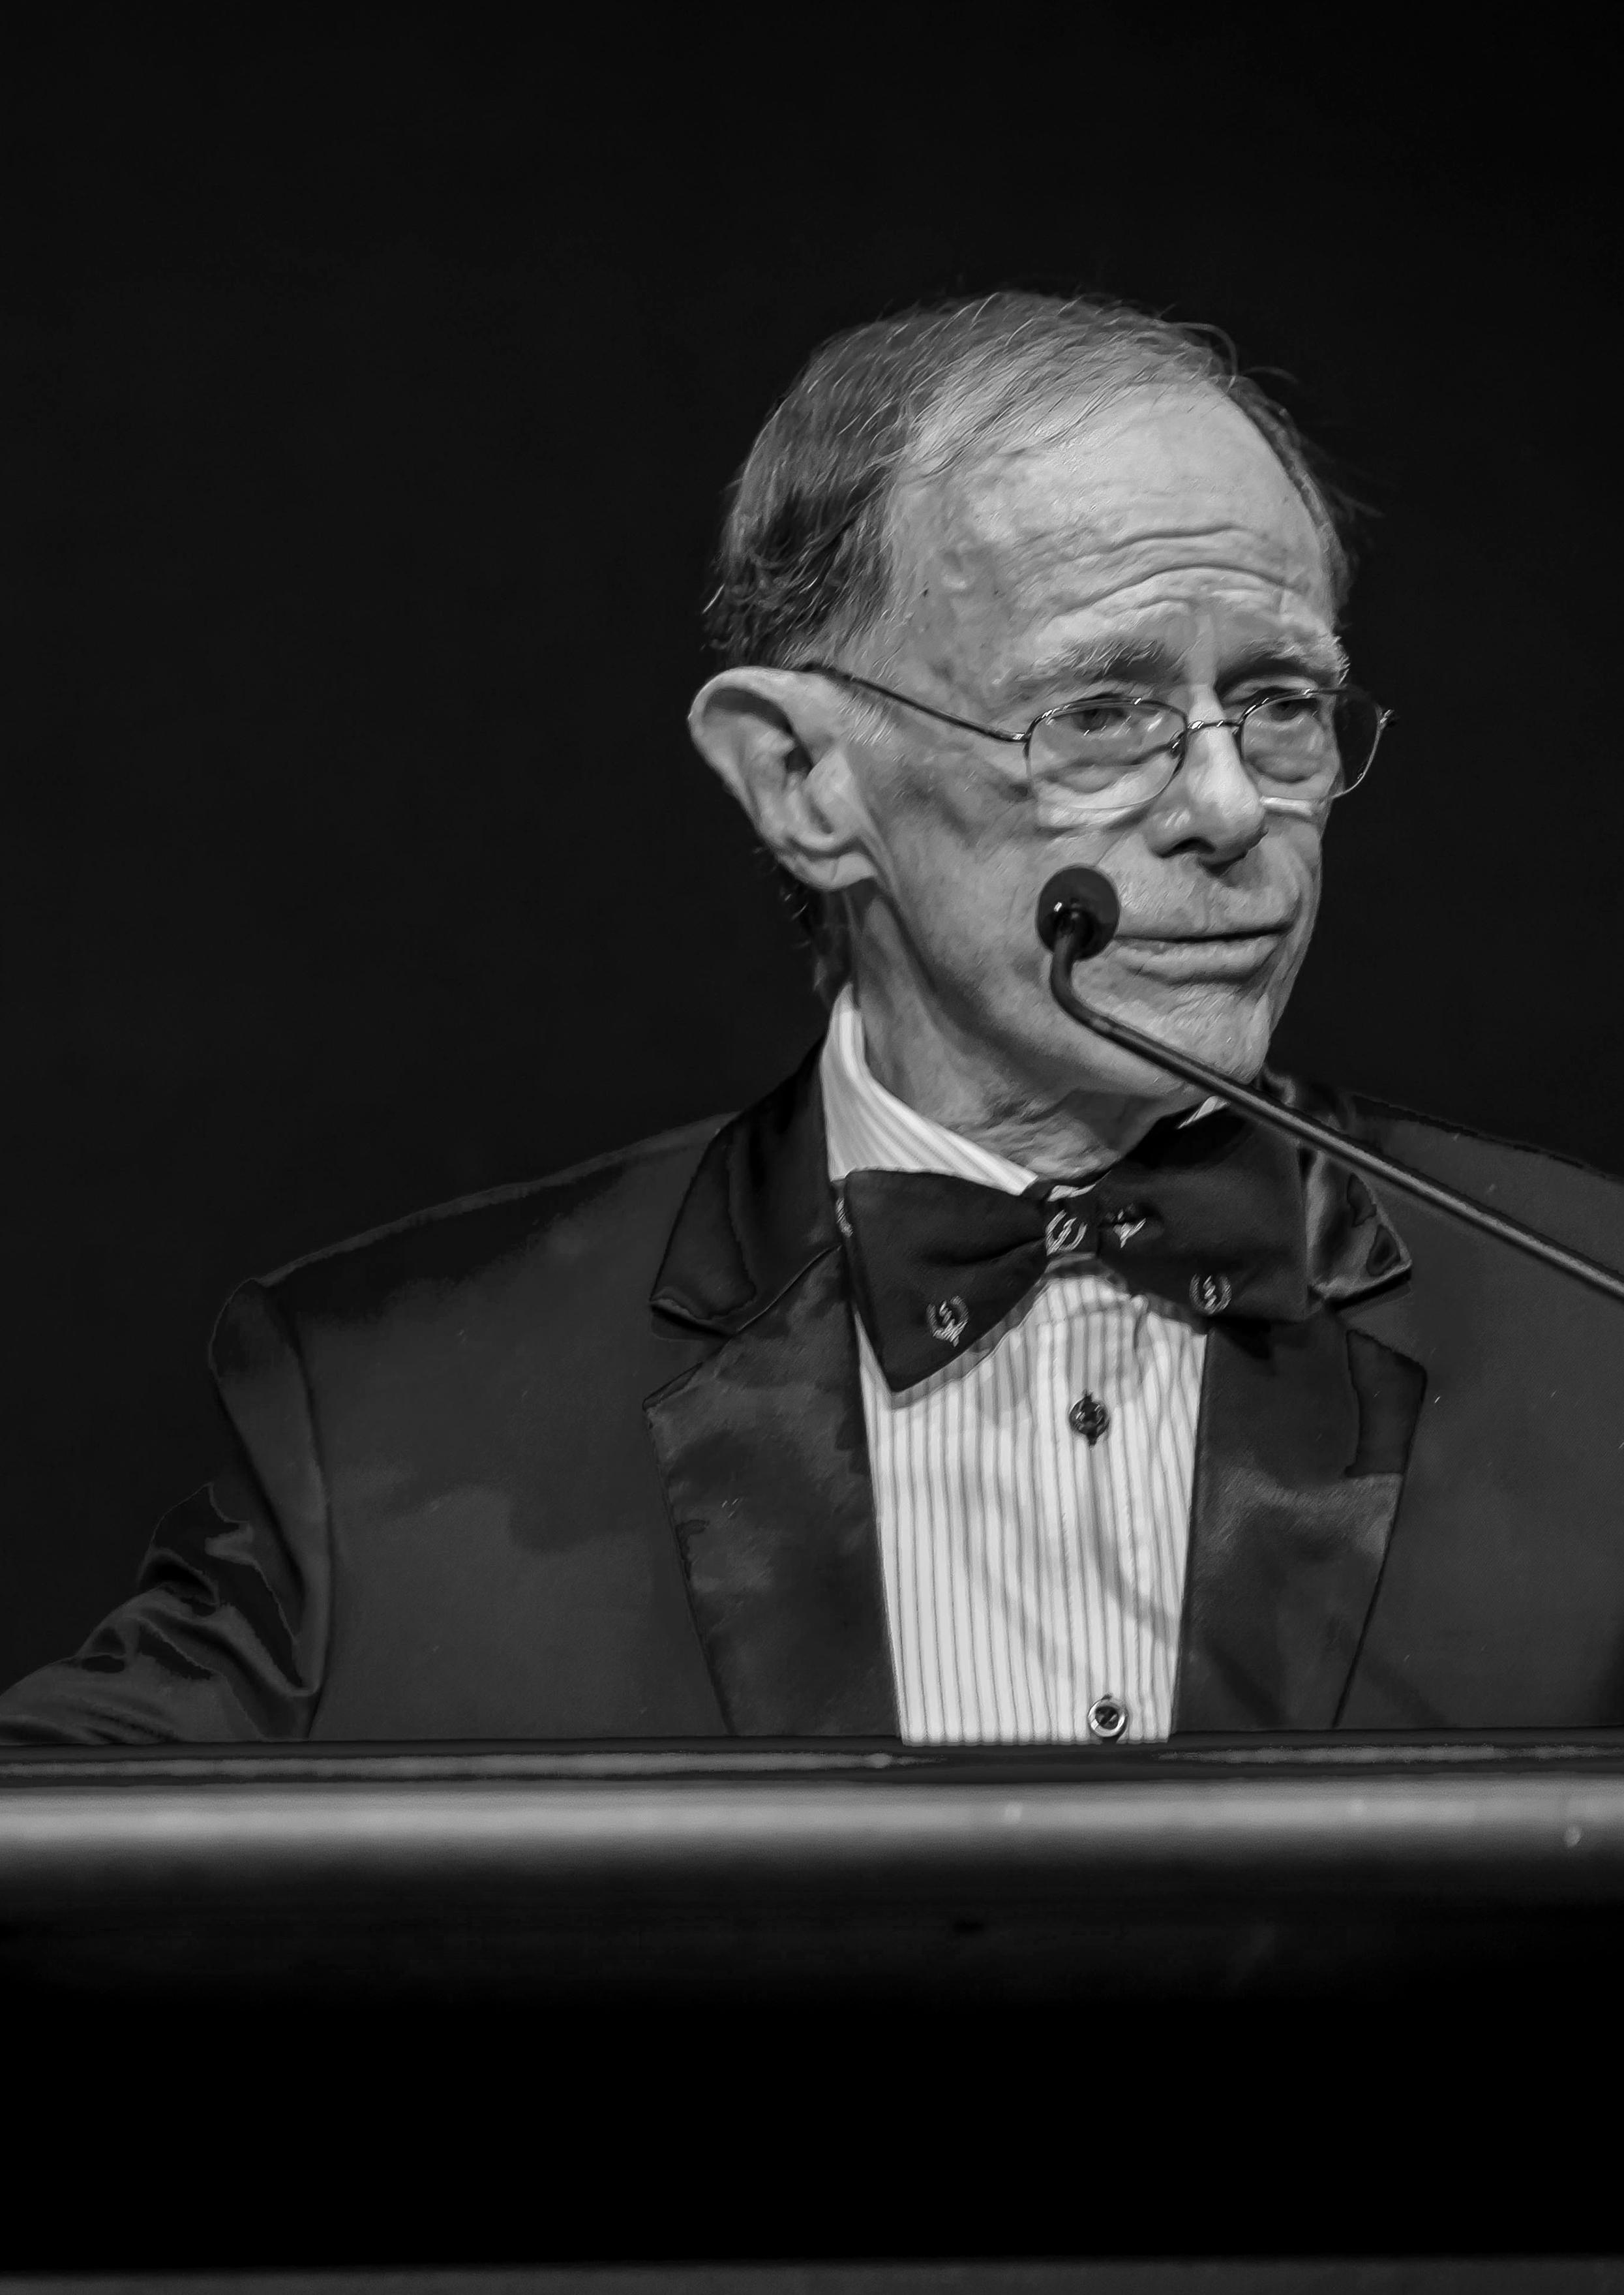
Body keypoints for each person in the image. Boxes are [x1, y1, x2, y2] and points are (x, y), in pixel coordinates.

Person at [5, 289, 1623, 1747]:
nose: (1227, 806)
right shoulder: (392, 1422)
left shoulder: (1596, 1336)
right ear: (804, 782)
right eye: (1102, 712)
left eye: (1278, 705)